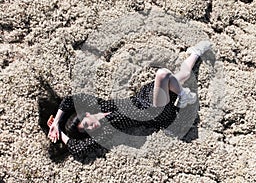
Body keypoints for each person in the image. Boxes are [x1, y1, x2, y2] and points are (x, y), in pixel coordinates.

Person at [47, 40, 212, 157]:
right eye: (88, 130)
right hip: (155, 113)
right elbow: (78, 148)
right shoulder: (105, 131)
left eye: (87, 123)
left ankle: (195, 55)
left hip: (144, 96)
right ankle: (184, 96)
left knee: (180, 76)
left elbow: (70, 100)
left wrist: (56, 122)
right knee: (163, 74)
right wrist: (61, 134)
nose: (92, 127)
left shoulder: (99, 105)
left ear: (87, 114)